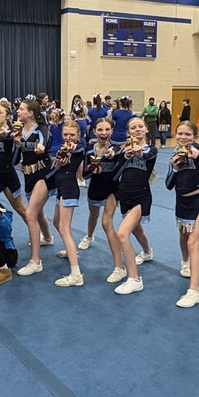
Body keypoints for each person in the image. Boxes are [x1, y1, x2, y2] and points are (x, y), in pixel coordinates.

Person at [164, 121, 199, 308]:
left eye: (188, 134)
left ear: (195, 136)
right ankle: (185, 262)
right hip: (182, 203)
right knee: (184, 238)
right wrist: (175, 168)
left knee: (193, 242)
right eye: (180, 134)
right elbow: (168, 184)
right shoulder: (174, 156)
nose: (183, 137)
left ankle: (194, 290)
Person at [110, 117, 156, 295]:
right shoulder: (124, 151)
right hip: (125, 196)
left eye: (140, 127)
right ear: (128, 132)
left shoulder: (151, 150)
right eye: (133, 128)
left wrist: (137, 154)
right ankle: (147, 251)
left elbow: (146, 156)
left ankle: (134, 279)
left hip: (141, 196)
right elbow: (115, 175)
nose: (137, 130)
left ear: (145, 130)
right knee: (137, 230)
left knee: (122, 233)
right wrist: (124, 155)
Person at [15, 99, 55, 276]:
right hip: (28, 175)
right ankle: (47, 237)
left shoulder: (41, 129)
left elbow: (44, 142)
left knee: (30, 214)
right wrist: (16, 145)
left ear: (30, 113)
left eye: (21, 109)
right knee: (38, 213)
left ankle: (35, 261)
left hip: (43, 174)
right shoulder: (20, 131)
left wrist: (41, 148)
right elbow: (16, 157)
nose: (17, 111)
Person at [81, 117, 123, 282]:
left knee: (107, 223)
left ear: (112, 131)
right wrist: (92, 170)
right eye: (100, 130)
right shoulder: (90, 150)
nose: (104, 133)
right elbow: (84, 174)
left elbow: (121, 166)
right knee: (93, 216)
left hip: (112, 189)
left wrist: (112, 156)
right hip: (95, 188)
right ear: (94, 131)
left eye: (107, 130)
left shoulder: (117, 149)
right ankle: (89, 236)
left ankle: (119, 266)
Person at [49, 121, 86, 287]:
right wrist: (59, 161)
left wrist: (70, 150)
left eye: (72, 135)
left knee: (64, 228)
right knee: (57, 223)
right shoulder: (62, 148)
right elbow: (56, 167)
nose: (69, 138)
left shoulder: (78, 148)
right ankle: (72, 250)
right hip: (61, 190)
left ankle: (76, 274)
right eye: (66, 134)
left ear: (78, 136)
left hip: (70, 190)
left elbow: (78, 151)